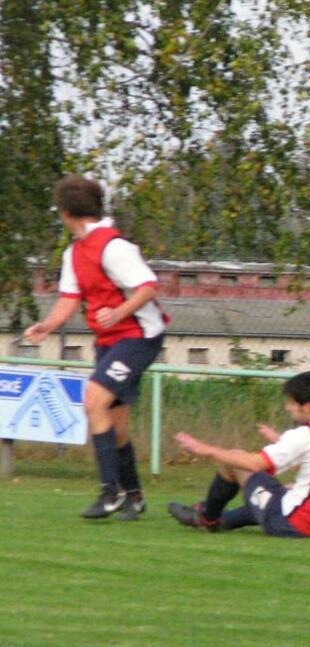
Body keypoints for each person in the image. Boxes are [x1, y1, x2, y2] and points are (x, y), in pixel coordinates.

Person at [23, 175, 168, 520]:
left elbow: (148, 287)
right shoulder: (74, 253)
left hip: (139, 337)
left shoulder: (113, 247)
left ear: (66, 211)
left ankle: (110, 492)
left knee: (93, 399)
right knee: (114, 426)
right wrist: (48, 325)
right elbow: (70, 298)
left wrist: (118, 312)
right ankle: (134, 496)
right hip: (110, 342)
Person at [168, 371, 310, 538]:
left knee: (234, 459)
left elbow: (254, 464)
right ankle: (224, 521)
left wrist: (208, 450)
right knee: (281, 493)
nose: (287, 407)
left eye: (291, 403)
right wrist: (281, 441)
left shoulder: (305, 434)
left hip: (300, 524)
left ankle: (207, 518)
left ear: (307, 406)